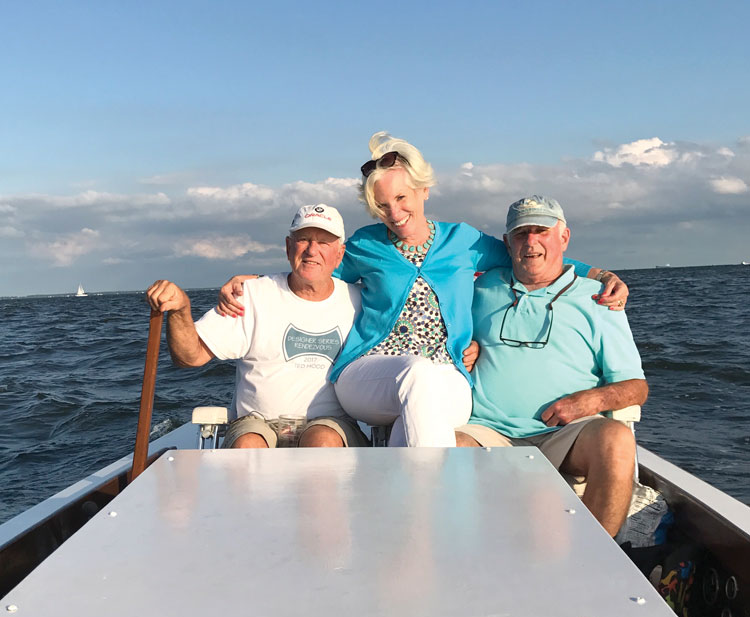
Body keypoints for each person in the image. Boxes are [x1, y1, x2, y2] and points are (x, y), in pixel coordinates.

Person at [217, 133, 629, 448]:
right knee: (417, 376)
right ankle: (433, 520)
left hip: (448, 376)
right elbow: (313, 265)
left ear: (424, 190)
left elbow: (525, 254)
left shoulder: (463, 241)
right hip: (368, 374)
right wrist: (254, 281)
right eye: (382, 205)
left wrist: (596, 272)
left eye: (401, 197)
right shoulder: (365, 244)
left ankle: (403, 520)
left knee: (420, 407)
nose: (393, 212)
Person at [456, 195, 648, 536]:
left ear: (564, 237)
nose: (531, 242)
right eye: (521, 233)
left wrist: (591, 401)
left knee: (616, 440)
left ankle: (594, 560)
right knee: (438, 444)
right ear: (506, 243)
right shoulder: (479, 288)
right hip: (487, 431)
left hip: (566, 435)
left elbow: (636, 387)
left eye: (541, 231)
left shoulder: (599, 299)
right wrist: (463, 348)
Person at [146, 204, 368, 449]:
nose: (312, 250)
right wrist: (181, 310)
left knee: (322, 442)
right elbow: (190, 357)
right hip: (257, 423)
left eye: (324, 242)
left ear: (339, 254)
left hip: (331, 423)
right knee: (248, 446)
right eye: (303, 239)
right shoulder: (250, 295)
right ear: (288, 247)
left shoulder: (361, 301)